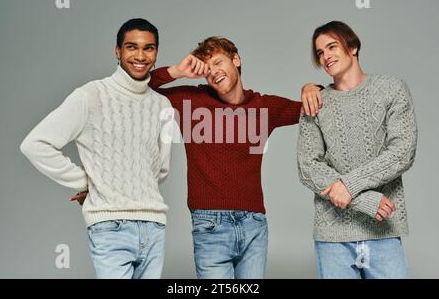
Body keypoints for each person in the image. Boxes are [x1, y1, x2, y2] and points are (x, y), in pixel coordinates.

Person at [111, 36, 322, 279]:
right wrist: (178, 71)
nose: (214, 73)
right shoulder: (190, 101)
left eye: (218, 63)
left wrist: (311, 87)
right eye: (207, 70)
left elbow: (316, 106)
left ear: (236, 60)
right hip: (209, 223)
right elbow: (139, 86)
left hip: (254, 224)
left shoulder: (264, 107)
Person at [20, 18, 175, 279]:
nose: (140, 55)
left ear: (157, 52)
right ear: (117, 51)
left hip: (154, 225)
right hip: (110, 226)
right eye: (131, 47)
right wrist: (88, 180)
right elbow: (35, 144)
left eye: (148, 48)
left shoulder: (164, 107)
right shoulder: (90, 95)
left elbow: (161, 169)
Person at [297, 21, 418, 278]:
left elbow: (403, 150)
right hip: (333, 237)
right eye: (320, 53)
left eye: (332, 46)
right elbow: (309, 167)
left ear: (352, 47)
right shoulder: (315, 102)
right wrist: (363, 200)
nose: (326, 56)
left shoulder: (391, 89)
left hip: (383, 230)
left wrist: (350, 186)